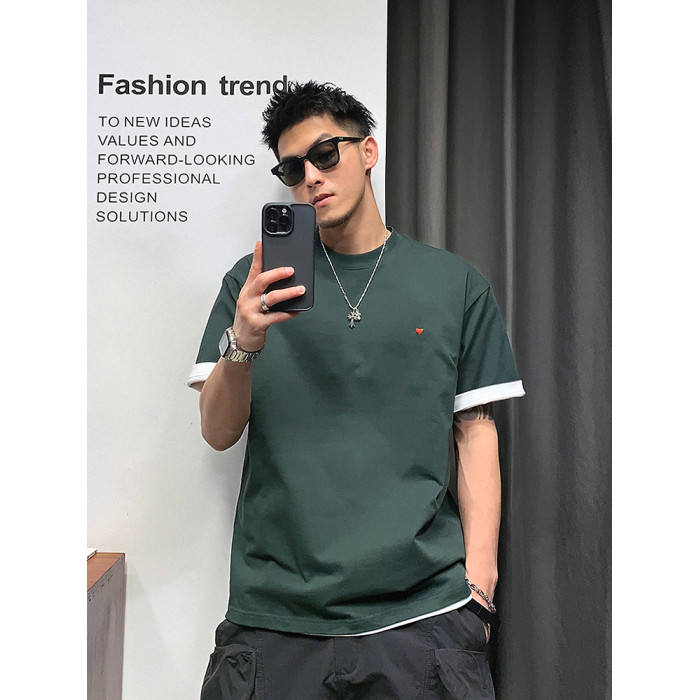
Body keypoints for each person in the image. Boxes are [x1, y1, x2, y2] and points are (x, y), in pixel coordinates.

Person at [188, 80, 524, 700]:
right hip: (274, 616)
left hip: (421, 613)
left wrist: (479, 586)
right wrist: (243, 343)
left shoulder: (454, 284)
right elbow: (216, 431)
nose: (311, 177)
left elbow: (475, 431)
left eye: (325, 154)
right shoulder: (253, 284)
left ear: (368, 151)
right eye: (293, 168)